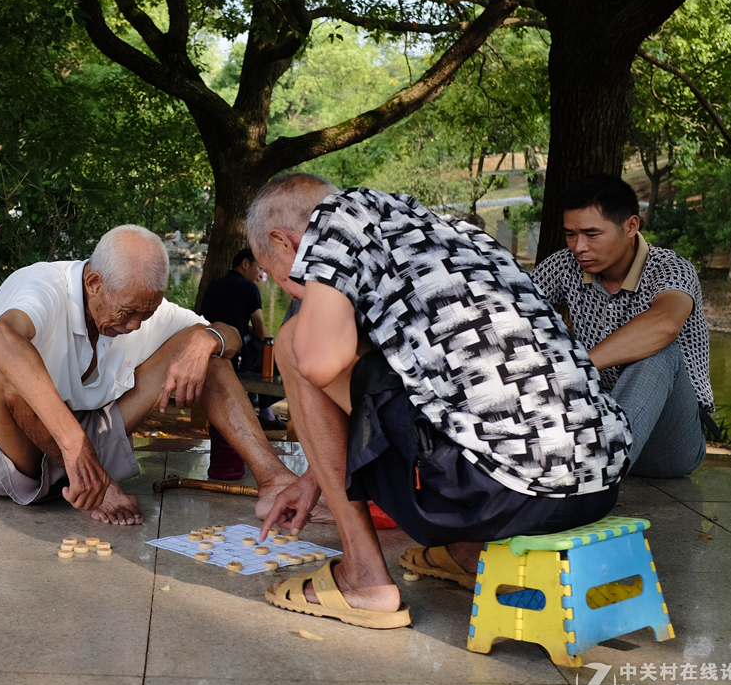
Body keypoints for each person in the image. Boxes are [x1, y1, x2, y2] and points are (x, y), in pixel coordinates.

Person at [246, 174, 630, 628]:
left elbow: (319, 363)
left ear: (284, 242)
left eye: (277, 277)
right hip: (595, 482)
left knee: (294, 340)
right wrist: (319, 476)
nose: (284, 289)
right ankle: (468, 553)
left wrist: (310, 304)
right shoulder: (440, 228)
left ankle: (363, 578)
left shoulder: (334, 223)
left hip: (500, 494)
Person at [0, 224, 324, 525]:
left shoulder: (143, 308)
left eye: (144, 316)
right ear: (94, 283)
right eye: (128, 311)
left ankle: (274, 479)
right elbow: (0, 339)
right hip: (9, 452)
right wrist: (77, 449)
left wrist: (206, 339)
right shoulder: (41, 286)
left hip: (89, 437)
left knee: (201, 348)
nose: (134, 326)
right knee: (9, 367)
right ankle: (88, 476)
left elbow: (228, 334)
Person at [531, 173, 712, 478]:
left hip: (669, 441)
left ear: (630, 226)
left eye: (591, 234)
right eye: (571, 234)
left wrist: (580, 365)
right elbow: (513, 310)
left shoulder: (671, 268)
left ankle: (591, 475)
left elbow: (665, 323)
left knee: (659, 349)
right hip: (595, 419)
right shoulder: (565, 265)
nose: (579, 247)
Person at [200, 248, 285, 430]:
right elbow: (262, 333)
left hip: (209, 352)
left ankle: (253, 398)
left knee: (257, 347)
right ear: (245, 263)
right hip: (236, 359)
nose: (260, 275)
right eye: (259, 268)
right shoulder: (249, 288)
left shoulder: (214, 285)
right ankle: (266, 412)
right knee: (273, 350)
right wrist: (264, 334)